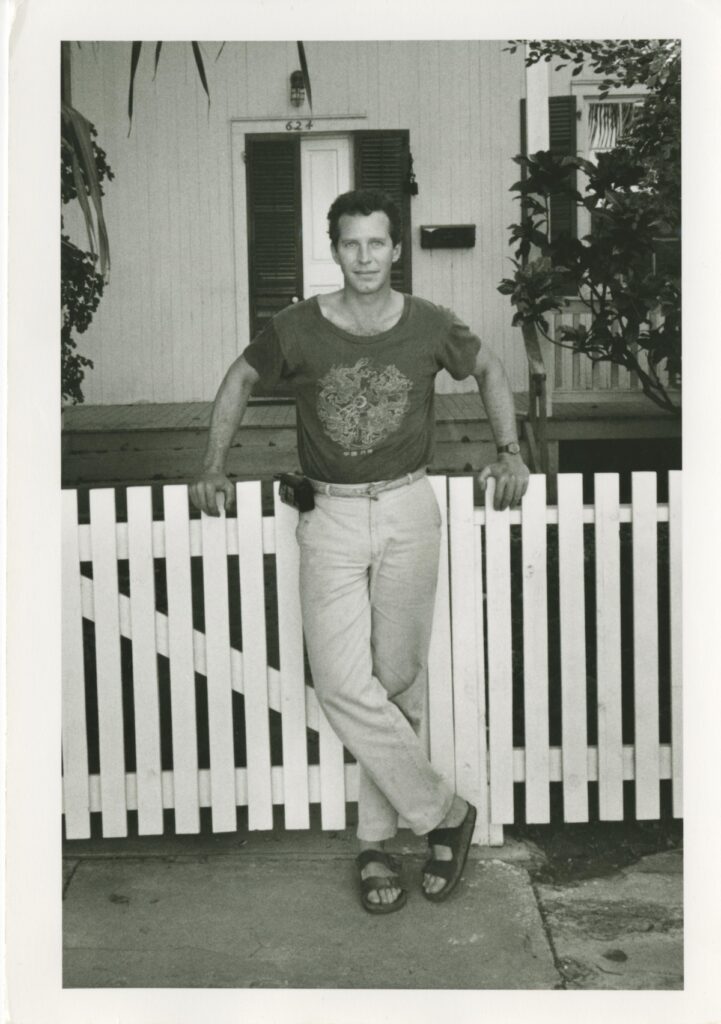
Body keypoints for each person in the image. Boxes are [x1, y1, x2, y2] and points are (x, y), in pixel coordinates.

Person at [190, 188, 529, 914]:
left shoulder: (431, 325)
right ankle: (446, 815)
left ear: (395, 248)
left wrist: (510, 451)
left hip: (408, 507)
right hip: (332, 516)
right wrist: (212, 463)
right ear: (334, 248)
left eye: (377, 243)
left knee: (396, 680)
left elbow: (492, 371)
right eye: (351, 244)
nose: (365, 257)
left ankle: (375, 845)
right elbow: (241, 377)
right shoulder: (298, 328)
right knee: (343, 682)